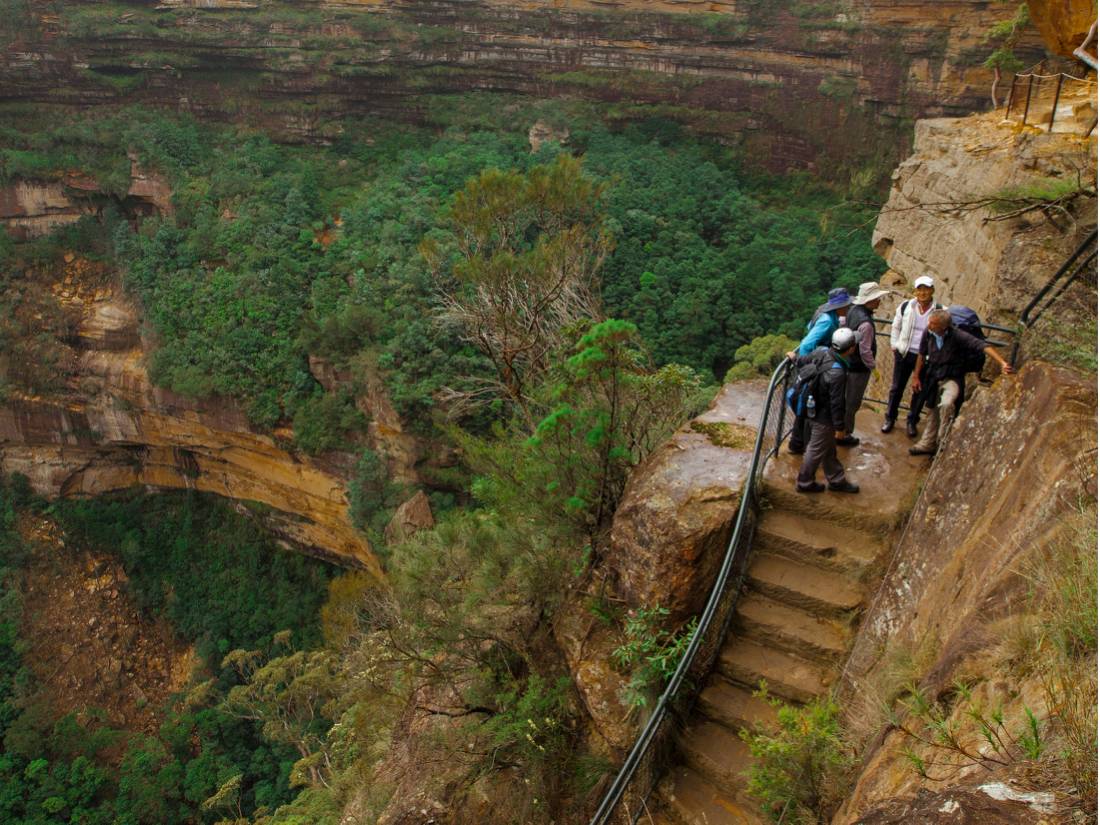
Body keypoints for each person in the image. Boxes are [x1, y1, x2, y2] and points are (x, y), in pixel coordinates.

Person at [908, 309, 1015, 456]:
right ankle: (928, 443)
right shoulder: (928, 333)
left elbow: (982, 345)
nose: (929, 325)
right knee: (932, 411)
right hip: (933, 376)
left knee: (946, 403)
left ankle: (942, 439)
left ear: (944, 327)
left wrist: (1002, 363)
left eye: (933, 323)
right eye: (930, 322)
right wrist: (916, 377)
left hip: (952, 377)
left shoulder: (957, 336)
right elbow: (921, 354)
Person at [793, 327, 860, 494]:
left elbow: (803, 360)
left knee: (827, 447)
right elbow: (837, 403)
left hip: (811, 407)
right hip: (823, 417)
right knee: (815, 450)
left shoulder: (822, 352)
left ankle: (836, 479)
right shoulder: (837, 372)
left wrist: (794, 358)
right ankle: (805, 482)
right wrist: (840, 428)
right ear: (851, 348)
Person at [787, 288, 851, 454]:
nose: (849, 307)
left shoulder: (825, 313)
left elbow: (809, 326)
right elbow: (808, 344)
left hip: (816, 365)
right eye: (846, 304)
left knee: (806, 406)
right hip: (816, 368)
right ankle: (803, 446)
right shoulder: (827, 321)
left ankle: (797, 444)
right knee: (809, 407)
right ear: (840, 306)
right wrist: (811, 363)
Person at [882, 275, 943, 437]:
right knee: (896, 388)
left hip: (925, 357)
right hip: (904, 353)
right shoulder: (906, 307)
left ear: (932, 290)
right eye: (920, 289)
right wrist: (895, 345)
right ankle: (890, 418)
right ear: (915, 291)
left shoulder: (939, 310)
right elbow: (896, 327)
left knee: (919, 390)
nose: (923, 292)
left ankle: (912, 421)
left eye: (926, 289)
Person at [840, 282, 891, 446]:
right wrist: (873, 368)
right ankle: (845, 434)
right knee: (853, 401)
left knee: (844, 398)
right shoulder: (866, 324)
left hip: (846, 361)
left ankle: (839, 429)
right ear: (870, 300)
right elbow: (865, 351)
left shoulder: (853, 311)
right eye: (877, 299)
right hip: (858, 368)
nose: (879, 302)